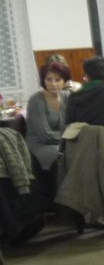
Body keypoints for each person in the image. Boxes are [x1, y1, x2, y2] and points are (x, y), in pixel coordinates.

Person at [25, 59, 71, 203]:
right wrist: (68, 139)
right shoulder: (36, 100)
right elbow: (44, 134)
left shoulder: (67, 96)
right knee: (61, 156)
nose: (53, 84)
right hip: (40, 144)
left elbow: (72, 124)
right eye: (49, 79)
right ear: (43, 80)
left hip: (61, 141)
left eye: (58, 79)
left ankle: (76, 201)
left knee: (83, 154)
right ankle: (59, 201)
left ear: (64, 80)